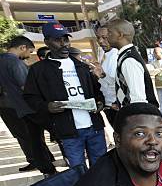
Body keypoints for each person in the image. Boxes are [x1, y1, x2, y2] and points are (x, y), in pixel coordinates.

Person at [23, 22, 107, 169]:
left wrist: (99, 102)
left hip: (94, 127)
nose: (64, 44)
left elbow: (96, 90)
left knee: (101, 168)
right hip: (68, 131)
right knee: (77, 170)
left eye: (66, 39)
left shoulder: (82, 65)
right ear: (47, 42)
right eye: (57, 40)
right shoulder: (38, 70)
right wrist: (46, 106)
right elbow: (30, 97)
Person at [0, 36, 56, 176]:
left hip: (17, 108)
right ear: (22, 47)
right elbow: (27, 86)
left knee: (33, 140)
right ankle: (58, 164)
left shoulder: (2, 60)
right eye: (29, 52)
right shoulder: (15, 63)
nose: (28, 55)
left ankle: (46, 169)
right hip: (31, 107)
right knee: (54, 134)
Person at [106, 18, 158, 107]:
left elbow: (138, 99)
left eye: (110, 32)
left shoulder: (129, 60)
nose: (107, 36)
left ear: (120, 35)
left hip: (138, 117)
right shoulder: (126, 56)